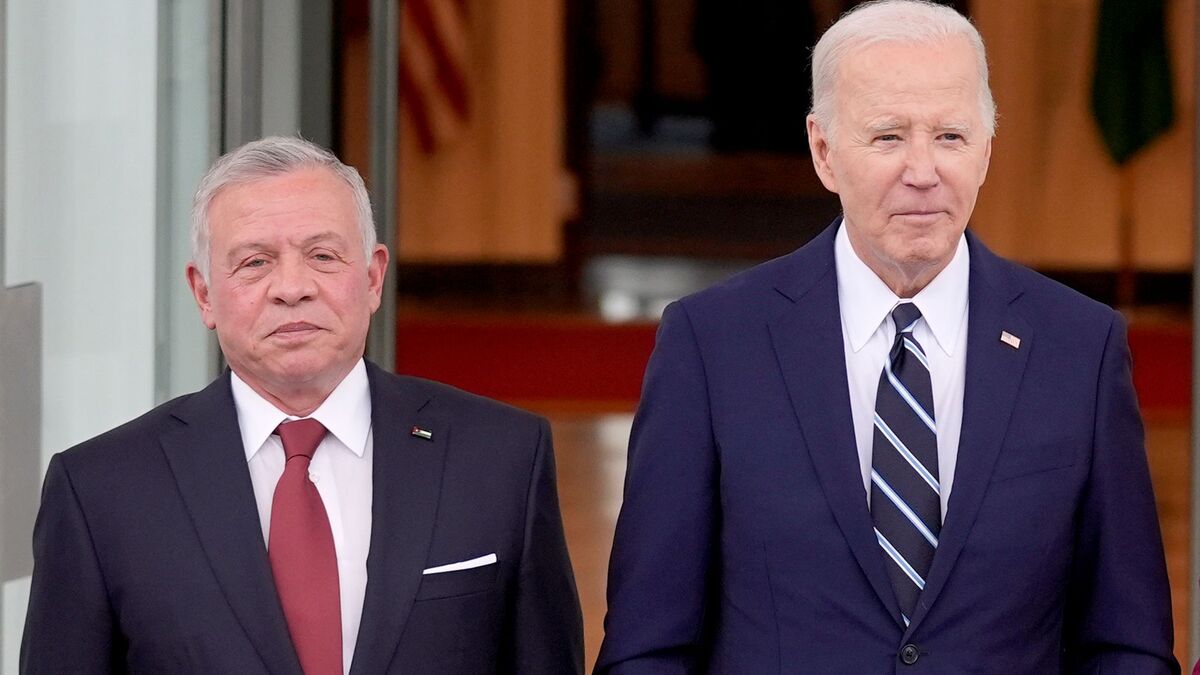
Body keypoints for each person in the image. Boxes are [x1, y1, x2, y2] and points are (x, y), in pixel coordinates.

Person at [595, 1, 1178, 672]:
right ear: (824, 151)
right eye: (888, 136)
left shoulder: (1081, 347)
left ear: (987, 151)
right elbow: (648, 647)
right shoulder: (712, 344)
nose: (924, 171)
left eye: (952, 136)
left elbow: (1127, 644)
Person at [21, 136, 584, 674]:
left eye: (322, 255)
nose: (292, 287)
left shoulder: (501, 458)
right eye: (255, 262)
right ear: (203, 294)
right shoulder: (100, 489)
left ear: (372, 278)